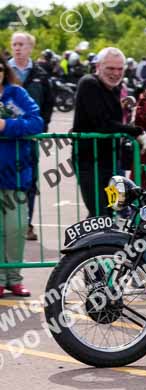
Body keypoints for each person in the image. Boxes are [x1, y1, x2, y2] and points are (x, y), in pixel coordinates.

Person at [72, 47, 146, 217]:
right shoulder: (89, 83)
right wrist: (135, 131)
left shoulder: (116, 88)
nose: (115, 73)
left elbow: (115, 121)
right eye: (110, 68)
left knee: (108, 210)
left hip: (111, 160)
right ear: (98, 66)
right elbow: (102, 123)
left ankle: (105, 234)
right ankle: (98, 235)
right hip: (89, 161)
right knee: (98, 211)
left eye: (120, 69)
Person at [0, 54, 44, 298]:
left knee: (16, 227)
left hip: (16, 174)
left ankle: (15, 278)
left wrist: (6, 126)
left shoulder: (16, 94)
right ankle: (0, 279)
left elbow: (36, 122)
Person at [9, 32, 54, 242]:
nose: (17, 48)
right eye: (14, 44)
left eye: (21, 44)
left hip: (30, 138)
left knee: (29, 181)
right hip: (5, 138)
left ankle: (26, 223)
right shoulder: (4, 71)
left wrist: (42, 127)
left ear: (30, 48)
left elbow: (48, 103)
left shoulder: (40, 74)